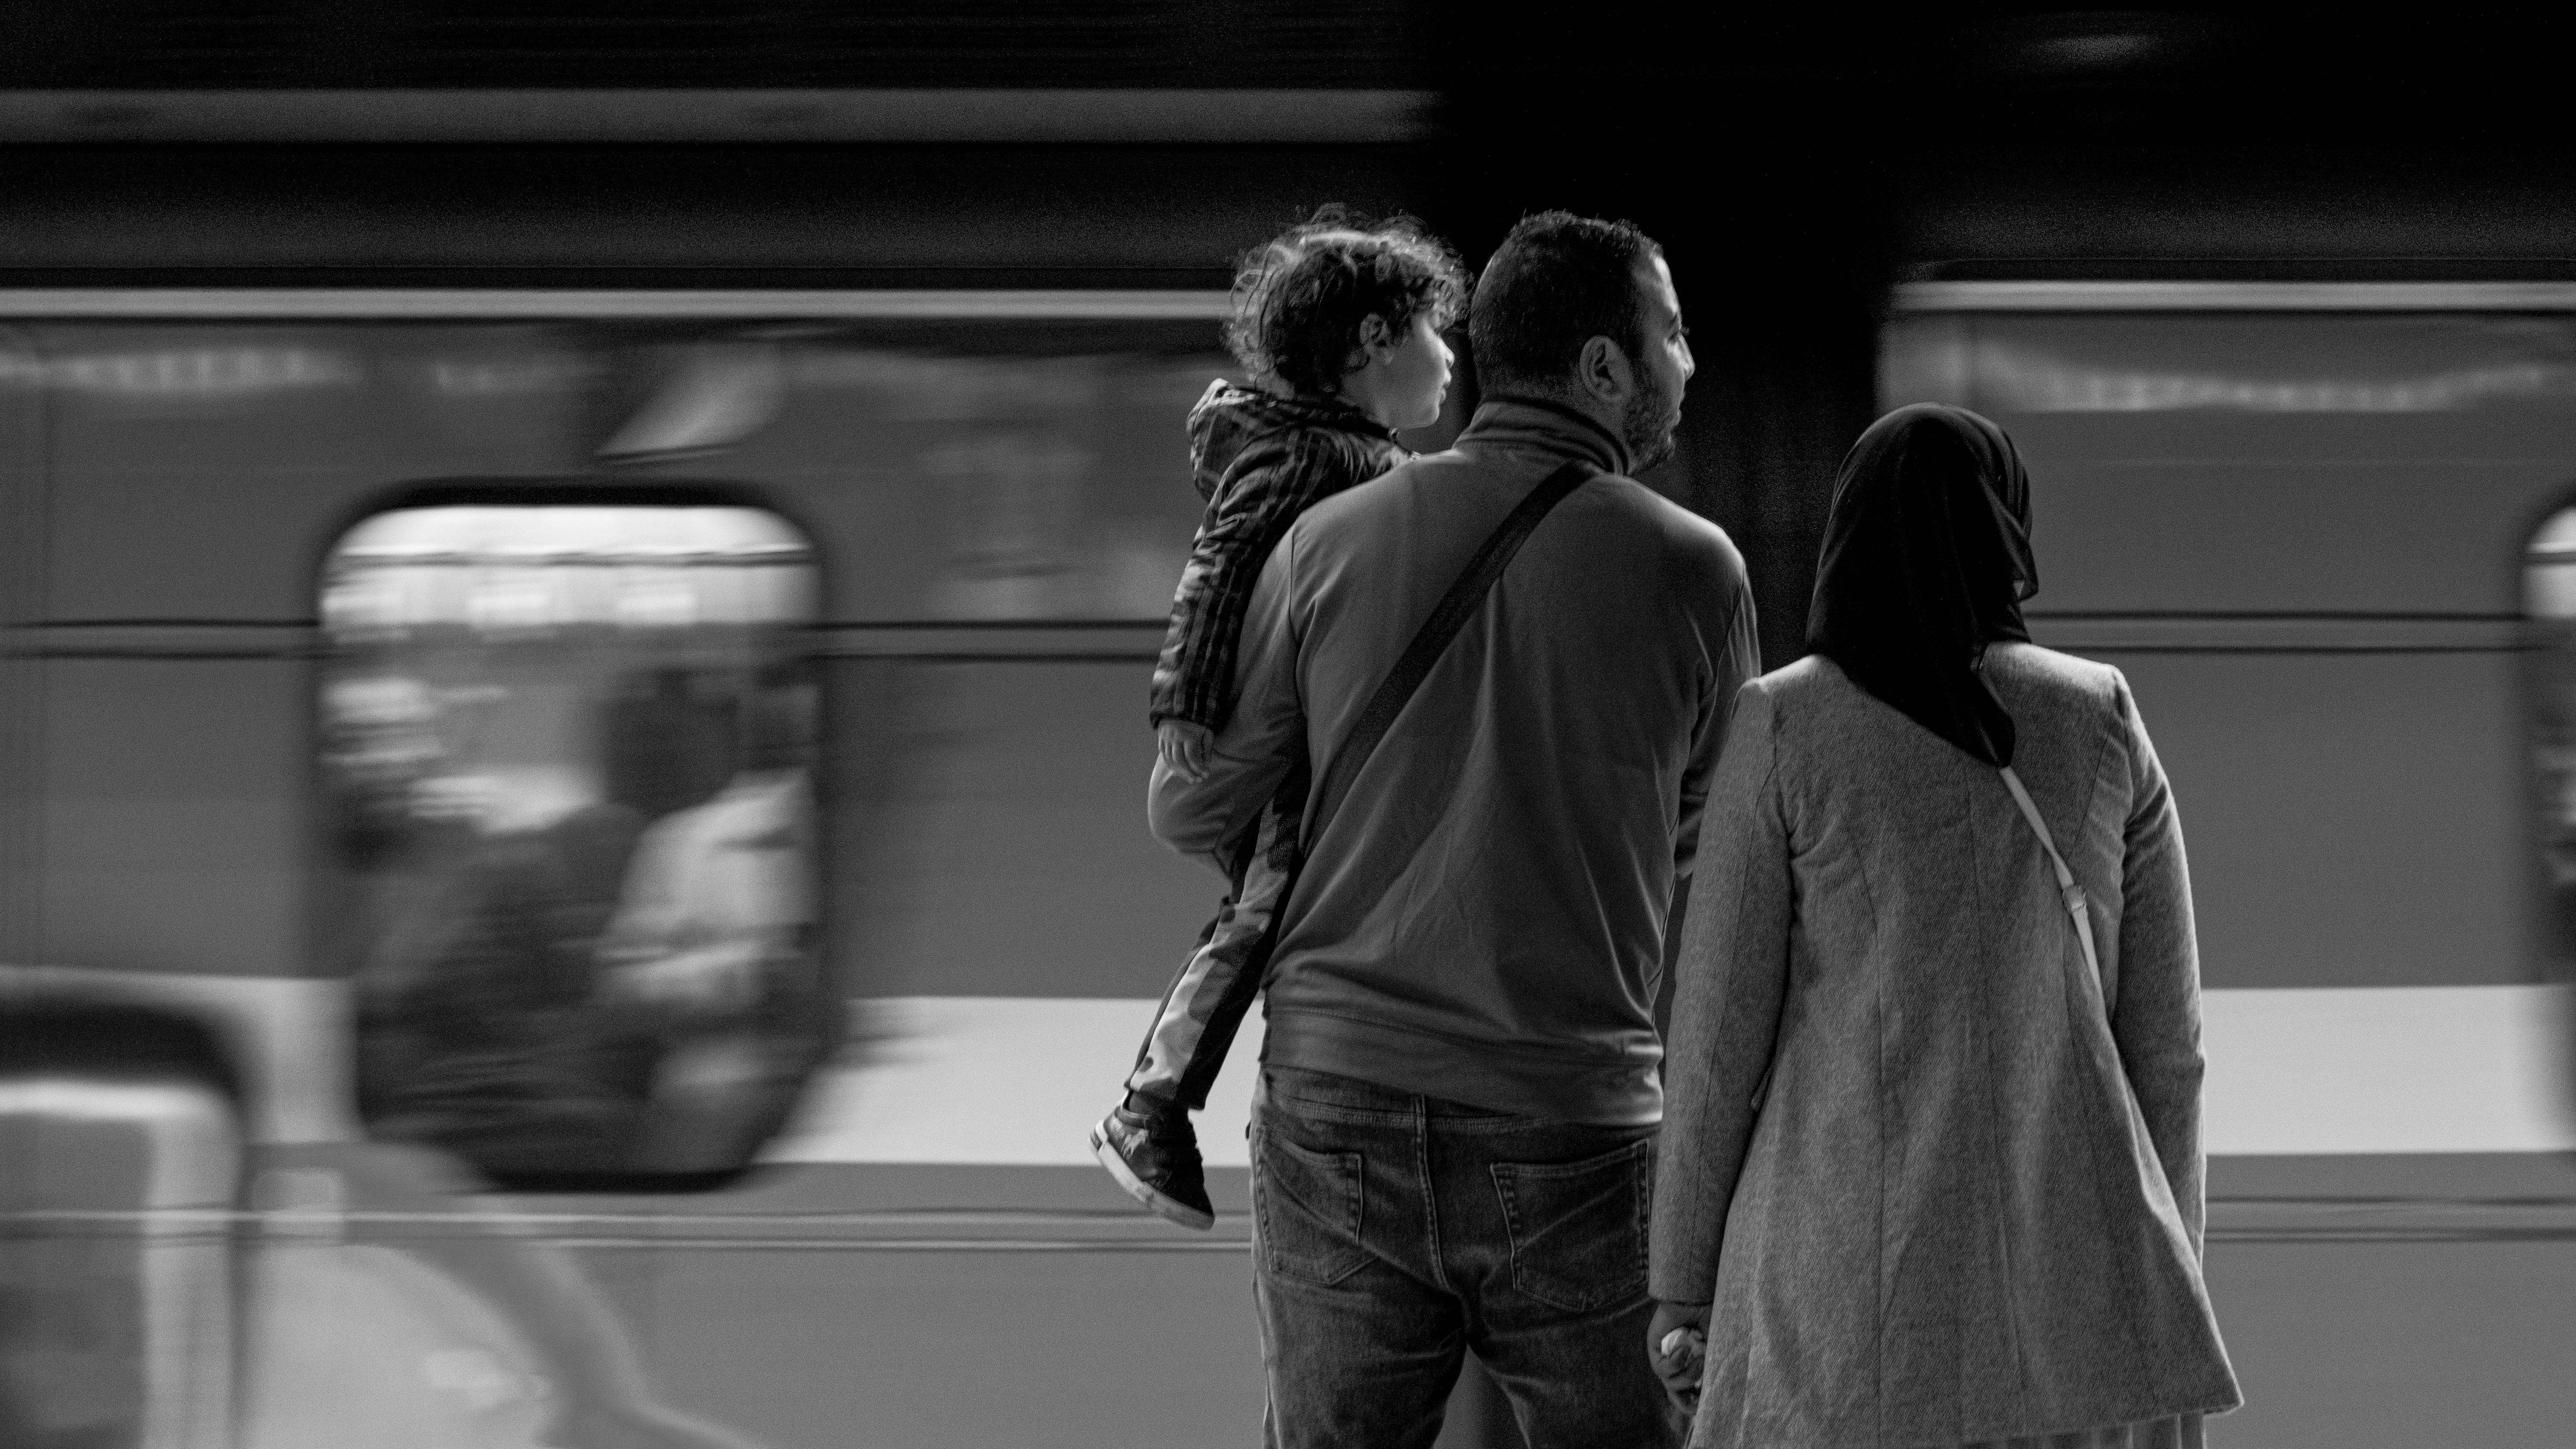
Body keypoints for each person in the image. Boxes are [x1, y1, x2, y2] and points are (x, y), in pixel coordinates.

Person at [1150, 211, 1758, 1448]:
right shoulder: (1695, 571)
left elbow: (1194, 803)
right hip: (1575, 1114)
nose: (1690, 364)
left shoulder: (1321, 542)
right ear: (1602, 369)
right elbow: (1727, 864)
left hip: (1338, 1100)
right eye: (1674, 333)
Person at [1646, 405, 2243, 1448]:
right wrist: (2158, 1273)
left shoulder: (1784, 723)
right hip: (2071, 1310)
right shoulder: (2098, 714)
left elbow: (1713, 1043)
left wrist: (1681, 1285)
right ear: (2008, 531)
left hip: (1831, 1314)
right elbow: (2169, 1048)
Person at [1093, 209, 1470, 1229]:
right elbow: (1218, 567)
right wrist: (1185, 695)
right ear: (1374, 345)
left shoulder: (1352, 455)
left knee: (1272, 917)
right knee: (1261, 917)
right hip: (1276, 747)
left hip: (1303, 738)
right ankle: (1150, 1107)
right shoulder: (1314, 460)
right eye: (1435, 333)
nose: (1449, 358)